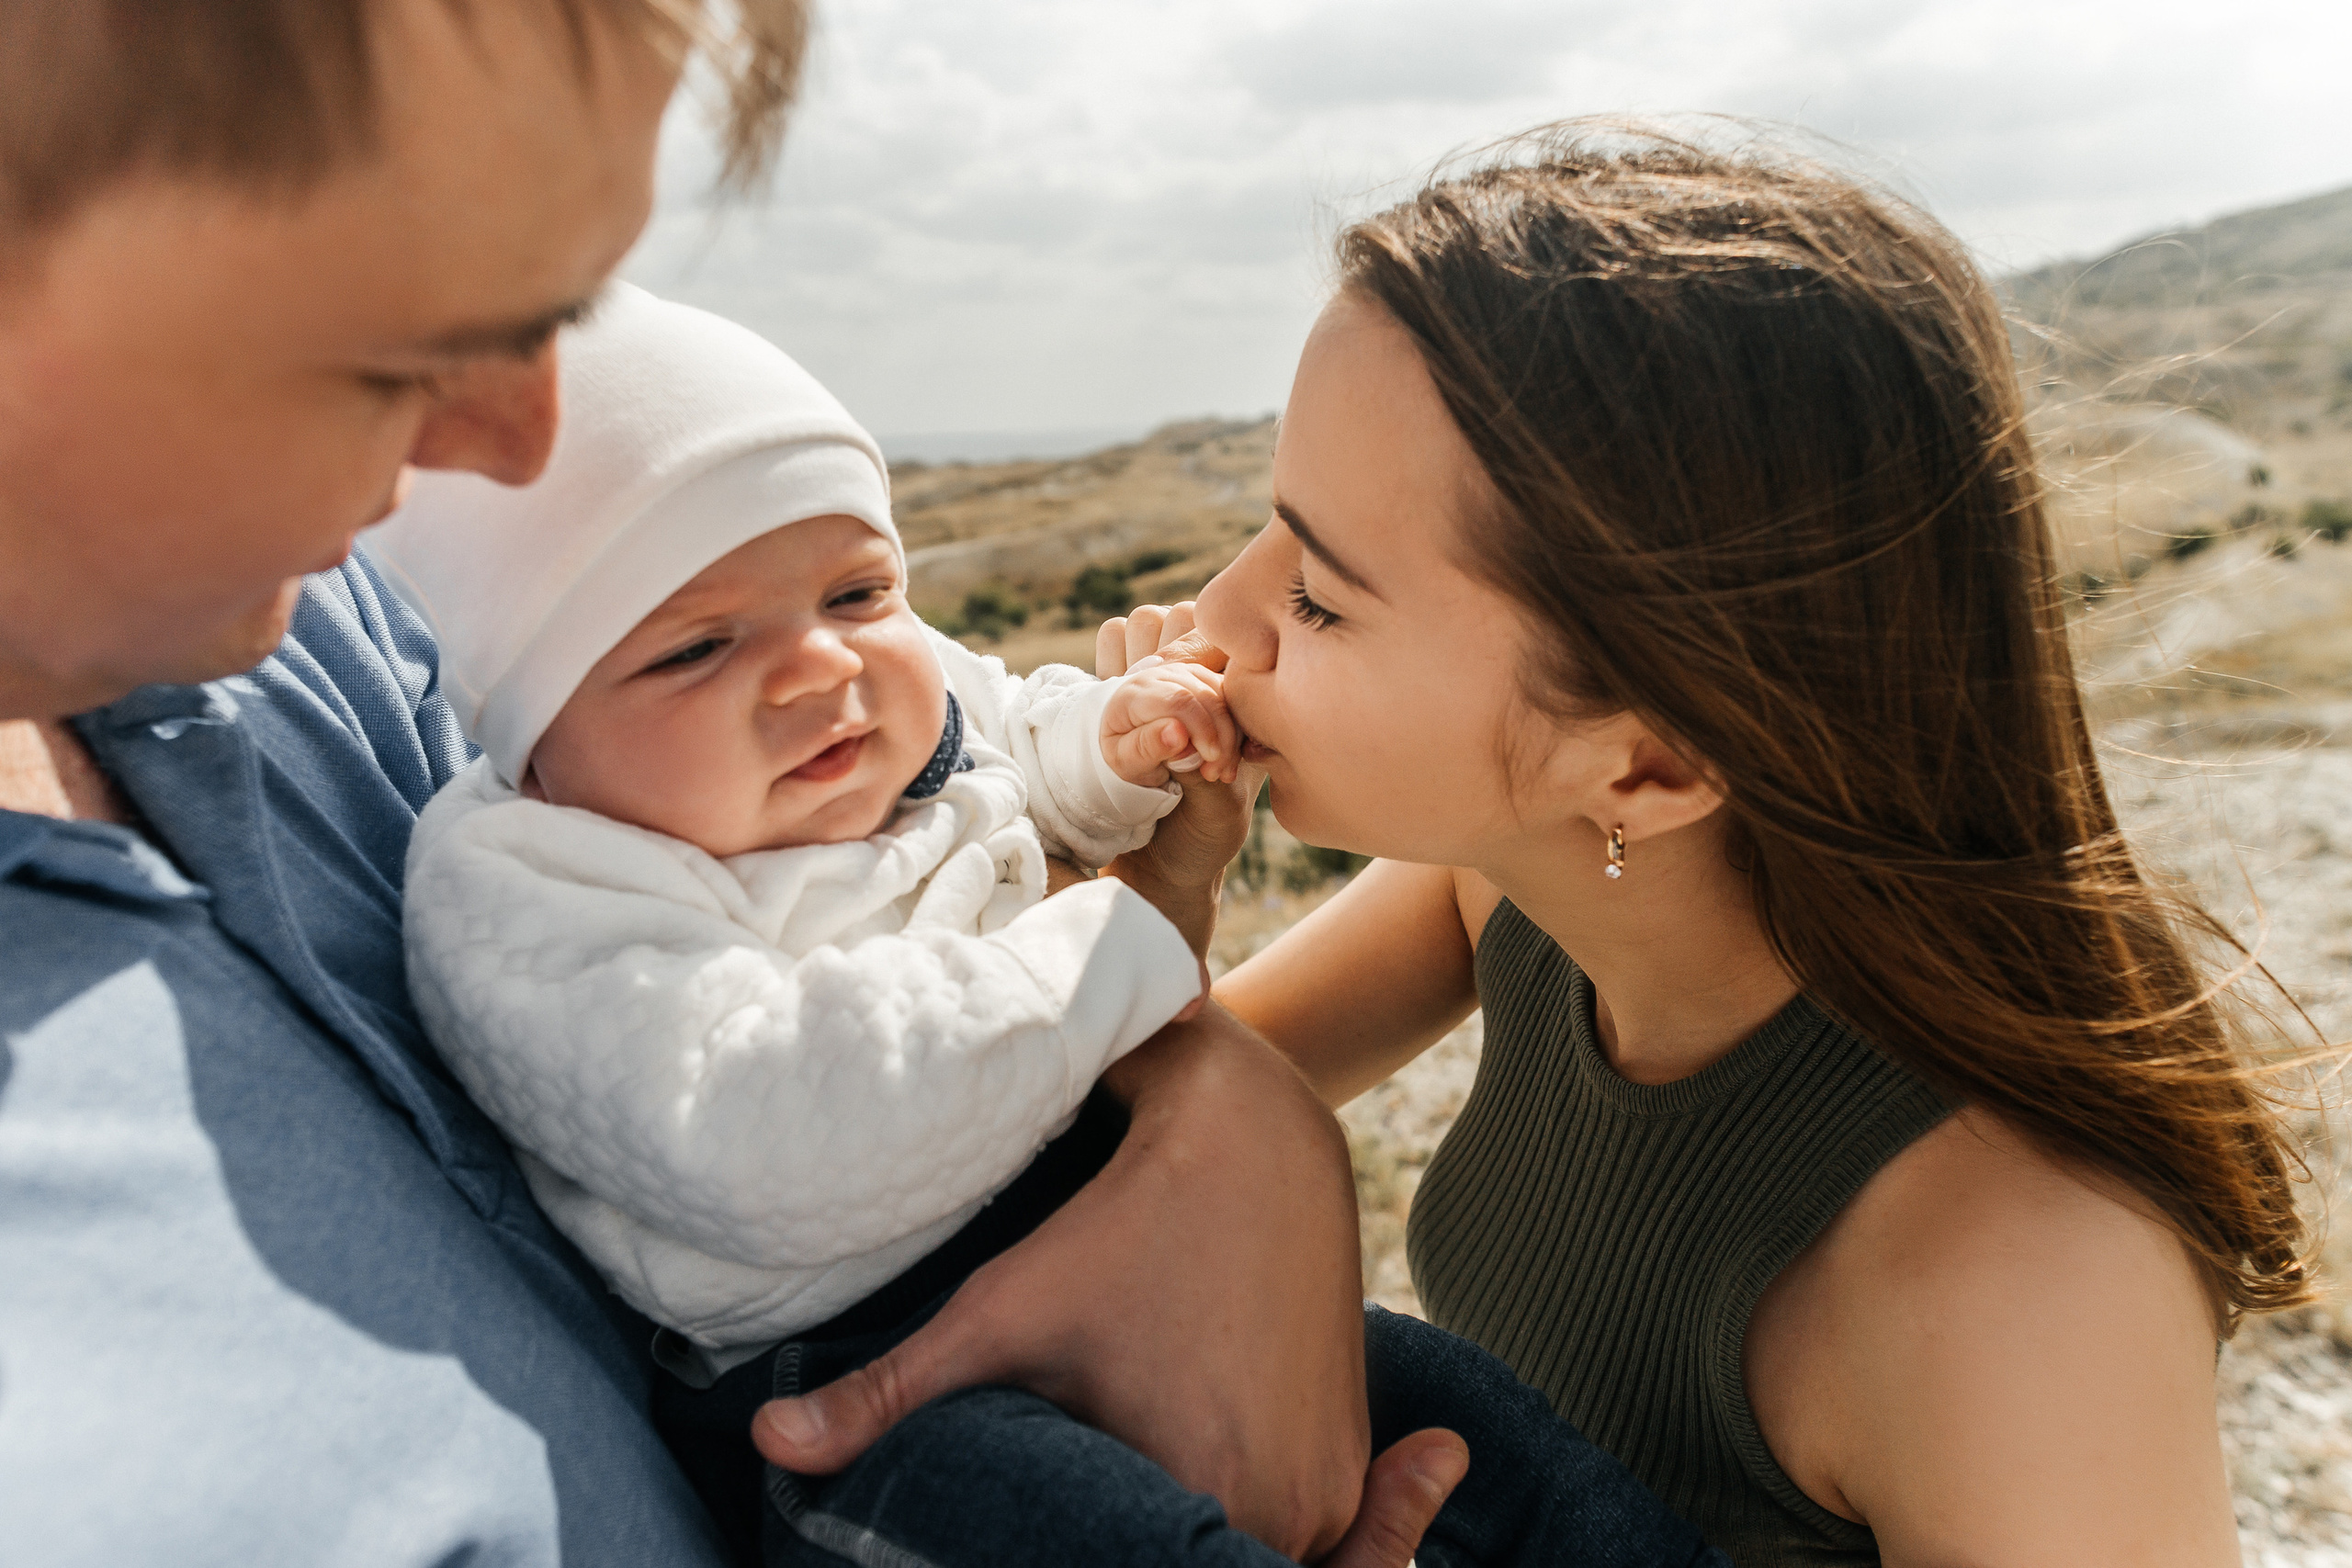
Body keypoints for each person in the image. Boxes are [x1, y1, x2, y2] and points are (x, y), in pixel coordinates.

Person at [0, 4, 1453, 1562]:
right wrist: (1142, 963)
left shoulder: (305, 620)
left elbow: (999, 749)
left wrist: (1231, 1114)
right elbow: (757, 1108)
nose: (506, 447)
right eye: (395, 312)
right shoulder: (497, 776)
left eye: (547, 303)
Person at [762, 127, 2312, 1566]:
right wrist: (1146, 891)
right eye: (1271, 527)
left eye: (1320, 596)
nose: (1218, 618)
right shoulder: (1506, 879)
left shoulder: (2023, 1282)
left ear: (1649, 763)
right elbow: (1144, 1115)